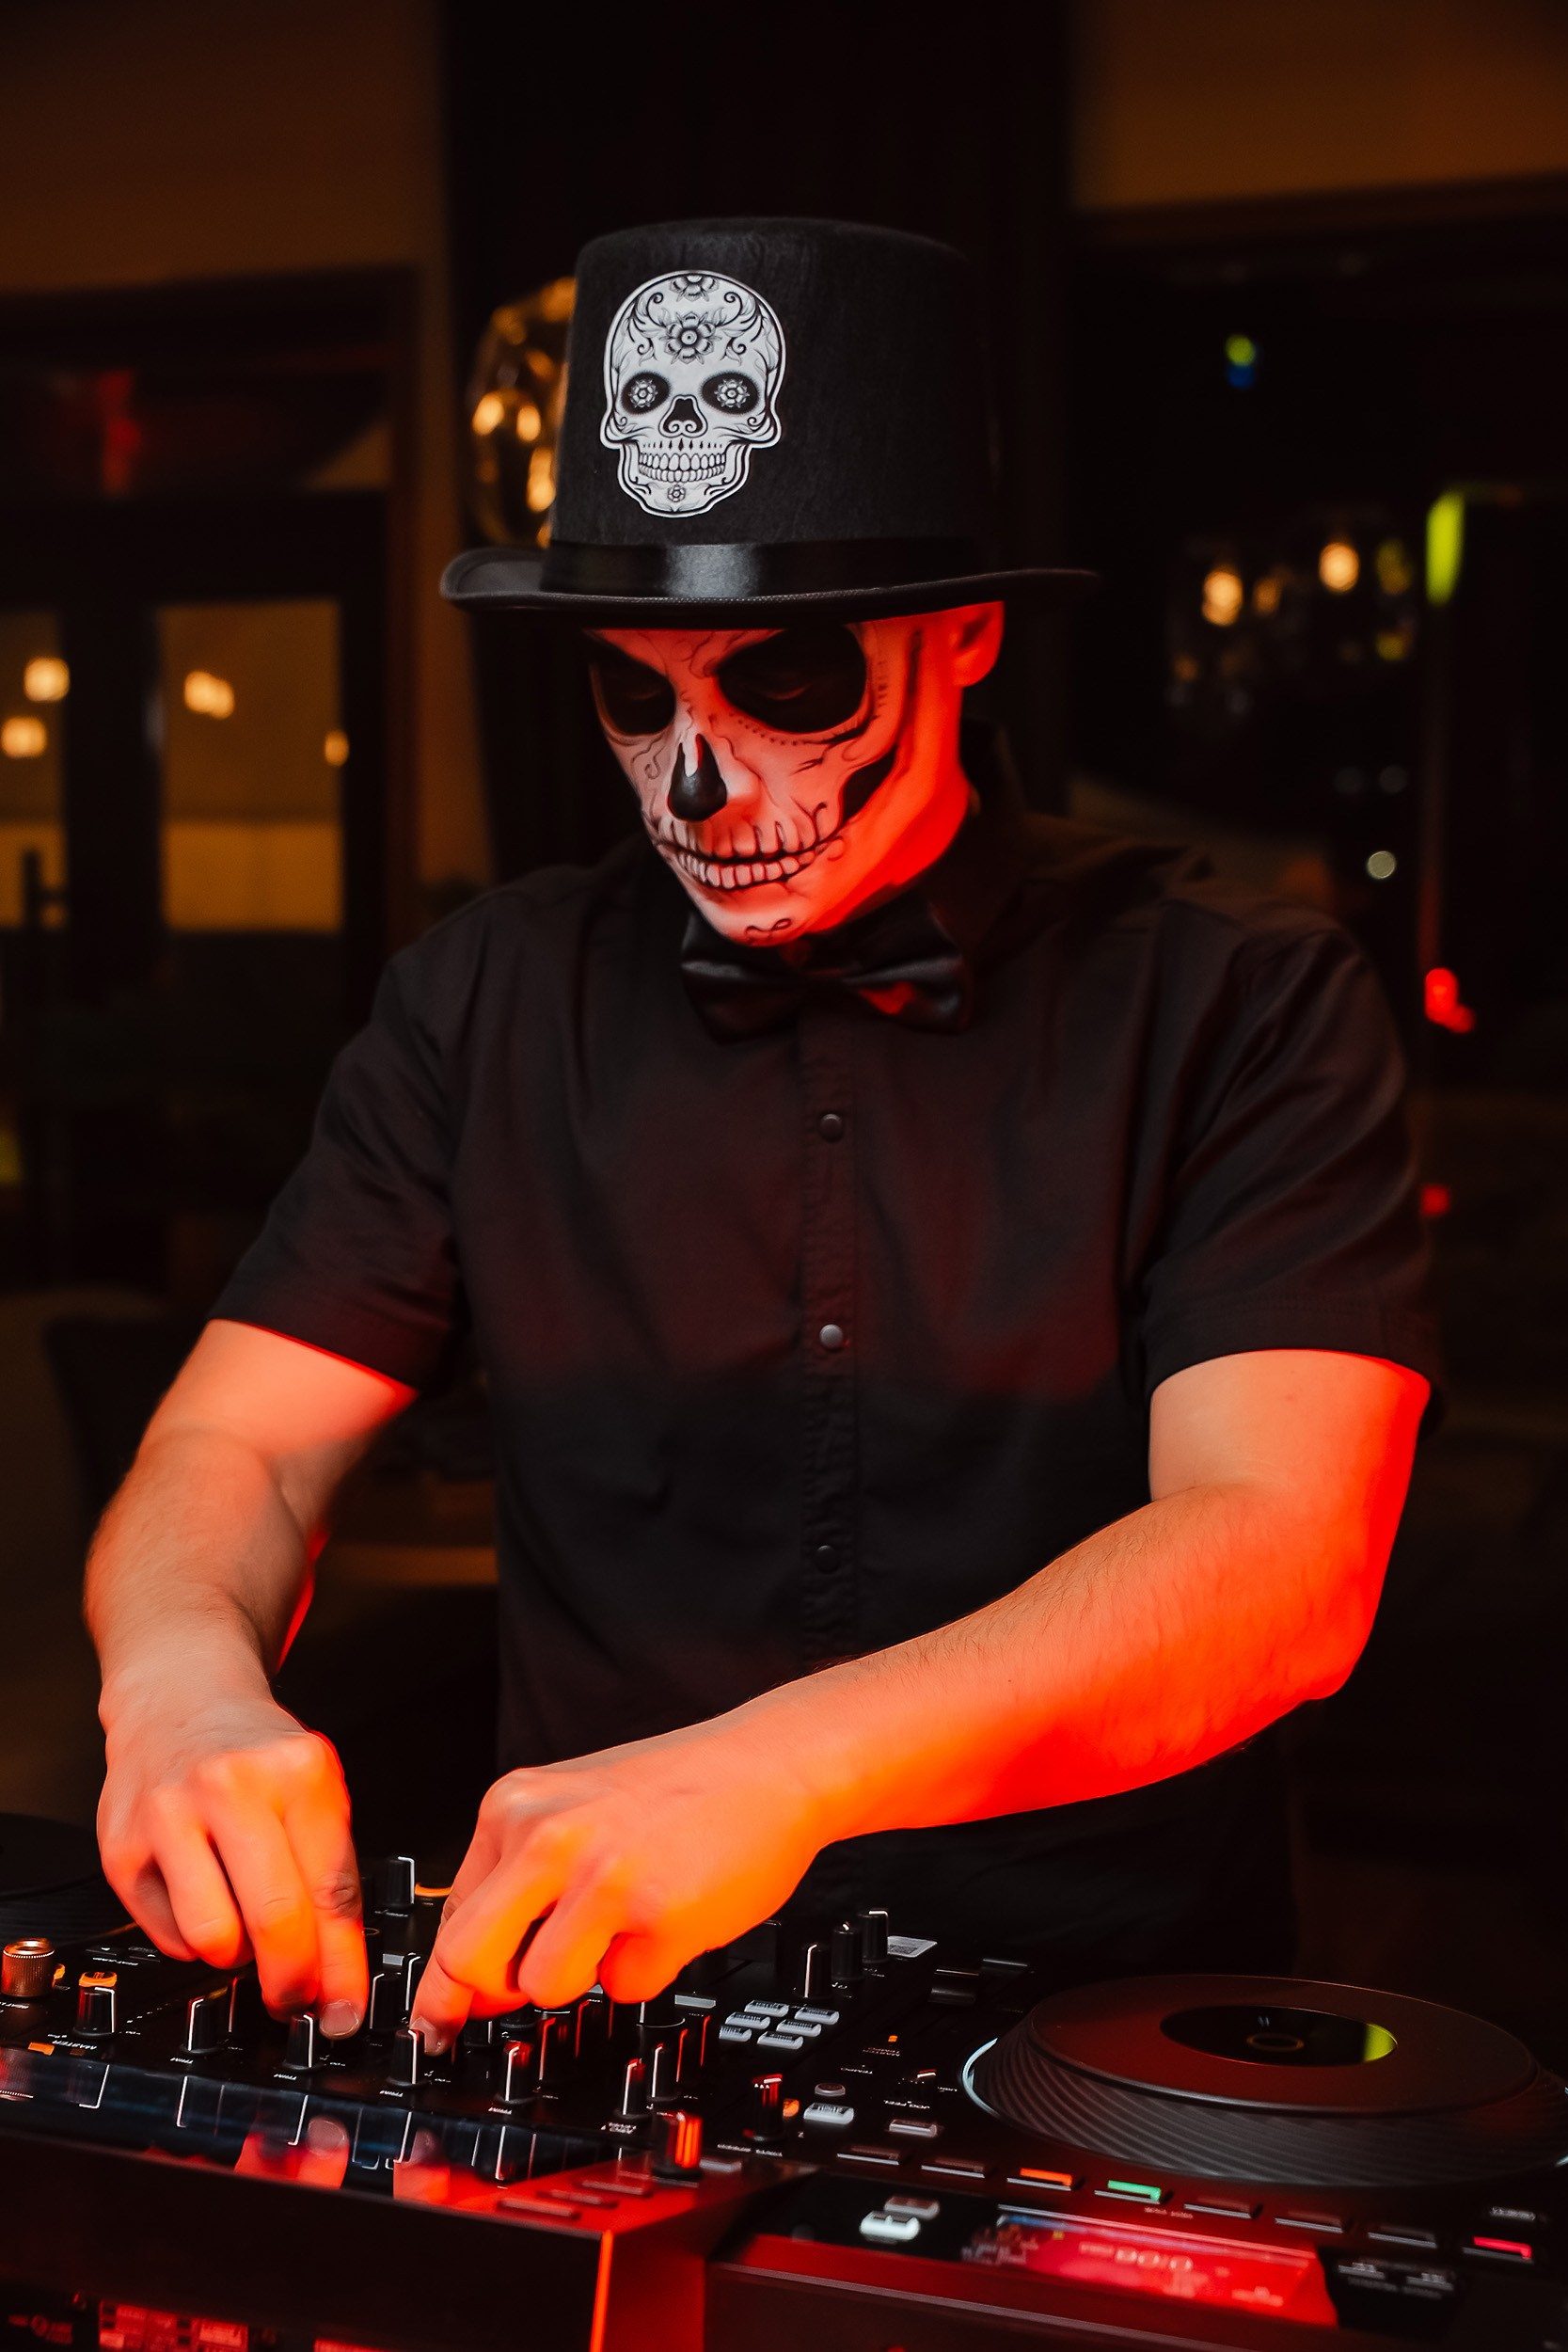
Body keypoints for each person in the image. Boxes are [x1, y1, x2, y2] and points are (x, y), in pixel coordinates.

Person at [85, 220, 1435, 2053]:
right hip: (588, 2010)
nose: (699, 783)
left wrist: (775, 1772)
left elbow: (1281, 1557)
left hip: (1106, 2030)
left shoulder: (1242, 997)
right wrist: (178, 1687)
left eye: (786, 682)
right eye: (637, 693)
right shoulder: (482, 998)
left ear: (965, 633)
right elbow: (238, 1440)